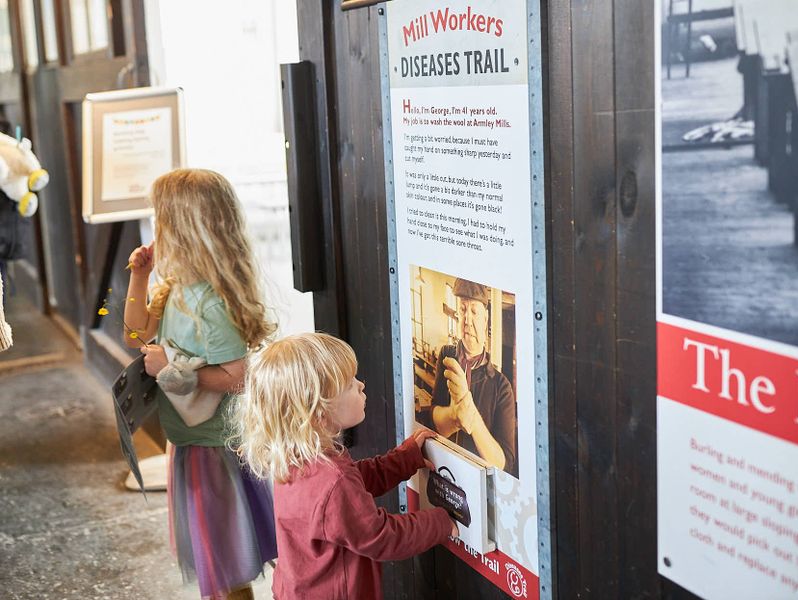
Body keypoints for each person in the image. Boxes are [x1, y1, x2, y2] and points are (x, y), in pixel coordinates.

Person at [124, 169, 277, 600]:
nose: (156, 227)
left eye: (161, 218)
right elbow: (135, 333)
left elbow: (239, 378)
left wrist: (172, 366)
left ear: (186, 228)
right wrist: (140, 276)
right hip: (188, 440)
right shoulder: (173, 288)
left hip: (215, 449)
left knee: (227, 565)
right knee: (216, 559)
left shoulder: (212, 304)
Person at [230, 332, 457, 600]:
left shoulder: (298, 459)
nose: (361, 385)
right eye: (349, 384)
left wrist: (404, 459)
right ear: (318, 411)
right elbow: (381, 537)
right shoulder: (331, 479)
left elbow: (355, 484)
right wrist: (441, 522)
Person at [420, 278, 517, 476]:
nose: (467, 320)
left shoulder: (501, 386)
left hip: (478, 483)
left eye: (474, 312)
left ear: (485, 319)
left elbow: (504, 464)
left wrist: (470, 414)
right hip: (444, 471)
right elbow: (433, 419)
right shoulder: (447, 355)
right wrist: (454, 416)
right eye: (463, 310)